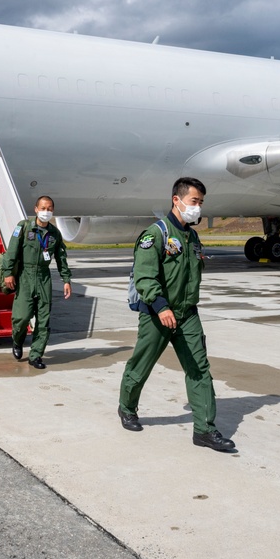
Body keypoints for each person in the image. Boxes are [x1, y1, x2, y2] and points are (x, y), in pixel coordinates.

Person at [117, 177, 235, 452]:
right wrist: (161, 307)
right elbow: (145, 278)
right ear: (177, 200)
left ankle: (205, 430)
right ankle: (127, 407)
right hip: (157, 314)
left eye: (201, 203)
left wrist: (181, 308)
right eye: (194, 201)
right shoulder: (154, 234)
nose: (198, 208)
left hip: (187, 314)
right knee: (141, 365)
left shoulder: (192, 237)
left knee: (199, 368)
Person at [2, 196, 72, 369]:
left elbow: (61, 257)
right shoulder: (24, 227)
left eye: (49, 209)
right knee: (22, 317)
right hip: (25, 275)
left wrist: (66, 280)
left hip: (44, 276)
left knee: (43, 319)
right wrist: (8, 273)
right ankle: (17, 340)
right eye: (43, 208)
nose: (46, 212)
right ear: (35, 209)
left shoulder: (54, 233)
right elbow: (12, 251)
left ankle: (36, 355)